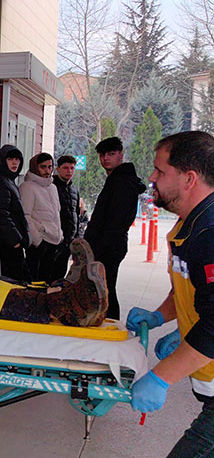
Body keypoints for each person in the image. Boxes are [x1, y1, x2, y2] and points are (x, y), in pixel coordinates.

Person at [126, 131, 214, 457]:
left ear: (189, 179)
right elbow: (190, 287)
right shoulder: (187, 225)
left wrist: (161, 377)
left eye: (161, 171)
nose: (151, 177)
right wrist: (160, 316)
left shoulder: (210, 233)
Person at [84, 137, 146, 320]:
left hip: (109, 245)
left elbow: (116, 222)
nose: (105, 159)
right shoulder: (117, 179)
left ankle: (111, 324)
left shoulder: (122, 182)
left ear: (121, 155)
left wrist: (98, 248)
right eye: (102, 155)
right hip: (108, 243)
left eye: (111, 154)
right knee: (103, 289)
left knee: (105, 290)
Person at [0, 145, 31, 281]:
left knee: (20, 278)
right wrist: (14, 240)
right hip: (8, 241)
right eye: (10, 159)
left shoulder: (8, 180)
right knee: (14, 280)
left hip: (12, 240)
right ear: (3, 160)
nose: (14, 163)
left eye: (17, 159)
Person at [20, 153, 63, 282]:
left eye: (50, 167)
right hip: (39, 243)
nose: (47, 171)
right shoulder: (27, 187)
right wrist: (37, 240)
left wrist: (59, 235)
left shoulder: (53, 187)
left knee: (48, 281)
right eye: (43, 167)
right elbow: (25, 216)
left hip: (54, 241)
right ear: (35, 167)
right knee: (35, 282)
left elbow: (56, 213)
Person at [51, 155, 81, 282]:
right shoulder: (52, 187)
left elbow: (76, 213)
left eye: (72, 168)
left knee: (61, 273)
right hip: (54, 239)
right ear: (58, 169)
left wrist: (77, 235)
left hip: (69, 239)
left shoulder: (74, 190)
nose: (69, 171)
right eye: (65, 168)